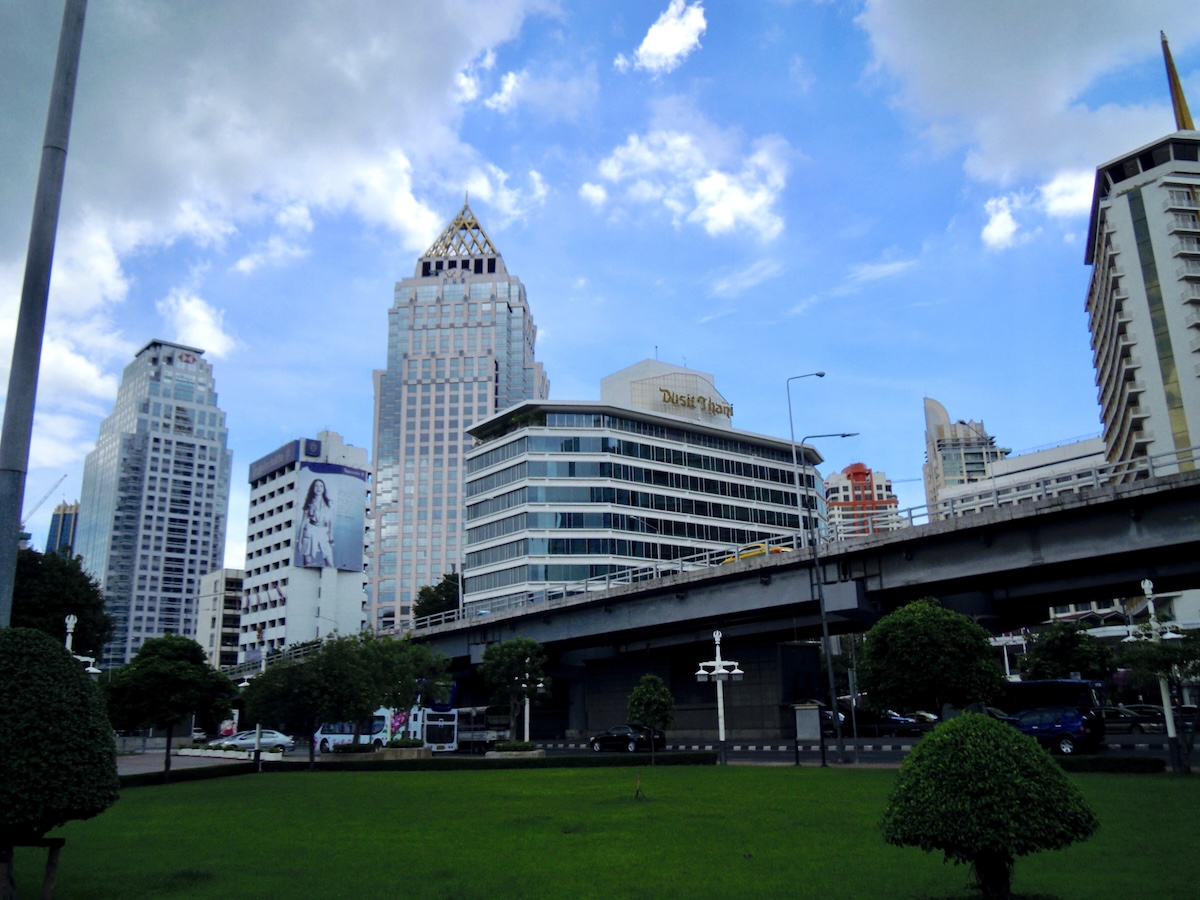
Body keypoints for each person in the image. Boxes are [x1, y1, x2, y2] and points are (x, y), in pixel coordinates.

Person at [298, 478, 335, 567]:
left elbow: (331, 522)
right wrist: (299, 542)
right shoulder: (309, 503)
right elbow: (303, 524)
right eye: (316, 486)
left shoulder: (329, 503)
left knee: (330, 564)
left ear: (324, 488)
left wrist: (331, 537)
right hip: (310, 531)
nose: (318, 488)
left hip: (323, 532)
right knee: (308, 563)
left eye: (321, 486)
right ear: (313, 488)